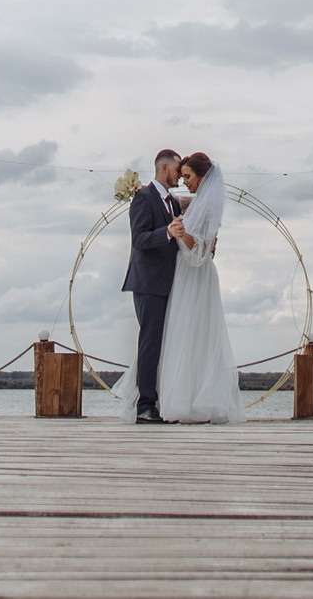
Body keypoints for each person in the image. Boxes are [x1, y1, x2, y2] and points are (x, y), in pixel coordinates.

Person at [152, 151, 242, 424]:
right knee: (189, 333)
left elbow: (199, 249)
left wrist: (180, 232)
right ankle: (188, 398)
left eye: (189, 177)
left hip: (193, 275)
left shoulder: (207, 206)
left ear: (202, 176)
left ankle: (187, 401)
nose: (185, 182)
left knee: (190, 333)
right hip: (192, 275)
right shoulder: (202, 202)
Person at [119, 149, 184, 425]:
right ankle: (145, 407)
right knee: (150, 344)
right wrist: (167, 232)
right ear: (164, 167)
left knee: (166, 344)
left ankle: (161, 402)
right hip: (148, 283)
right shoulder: (143, 199)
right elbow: (140, 240)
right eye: (178, 169)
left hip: (172, 283)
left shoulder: (174, 203)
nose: (180, 174)